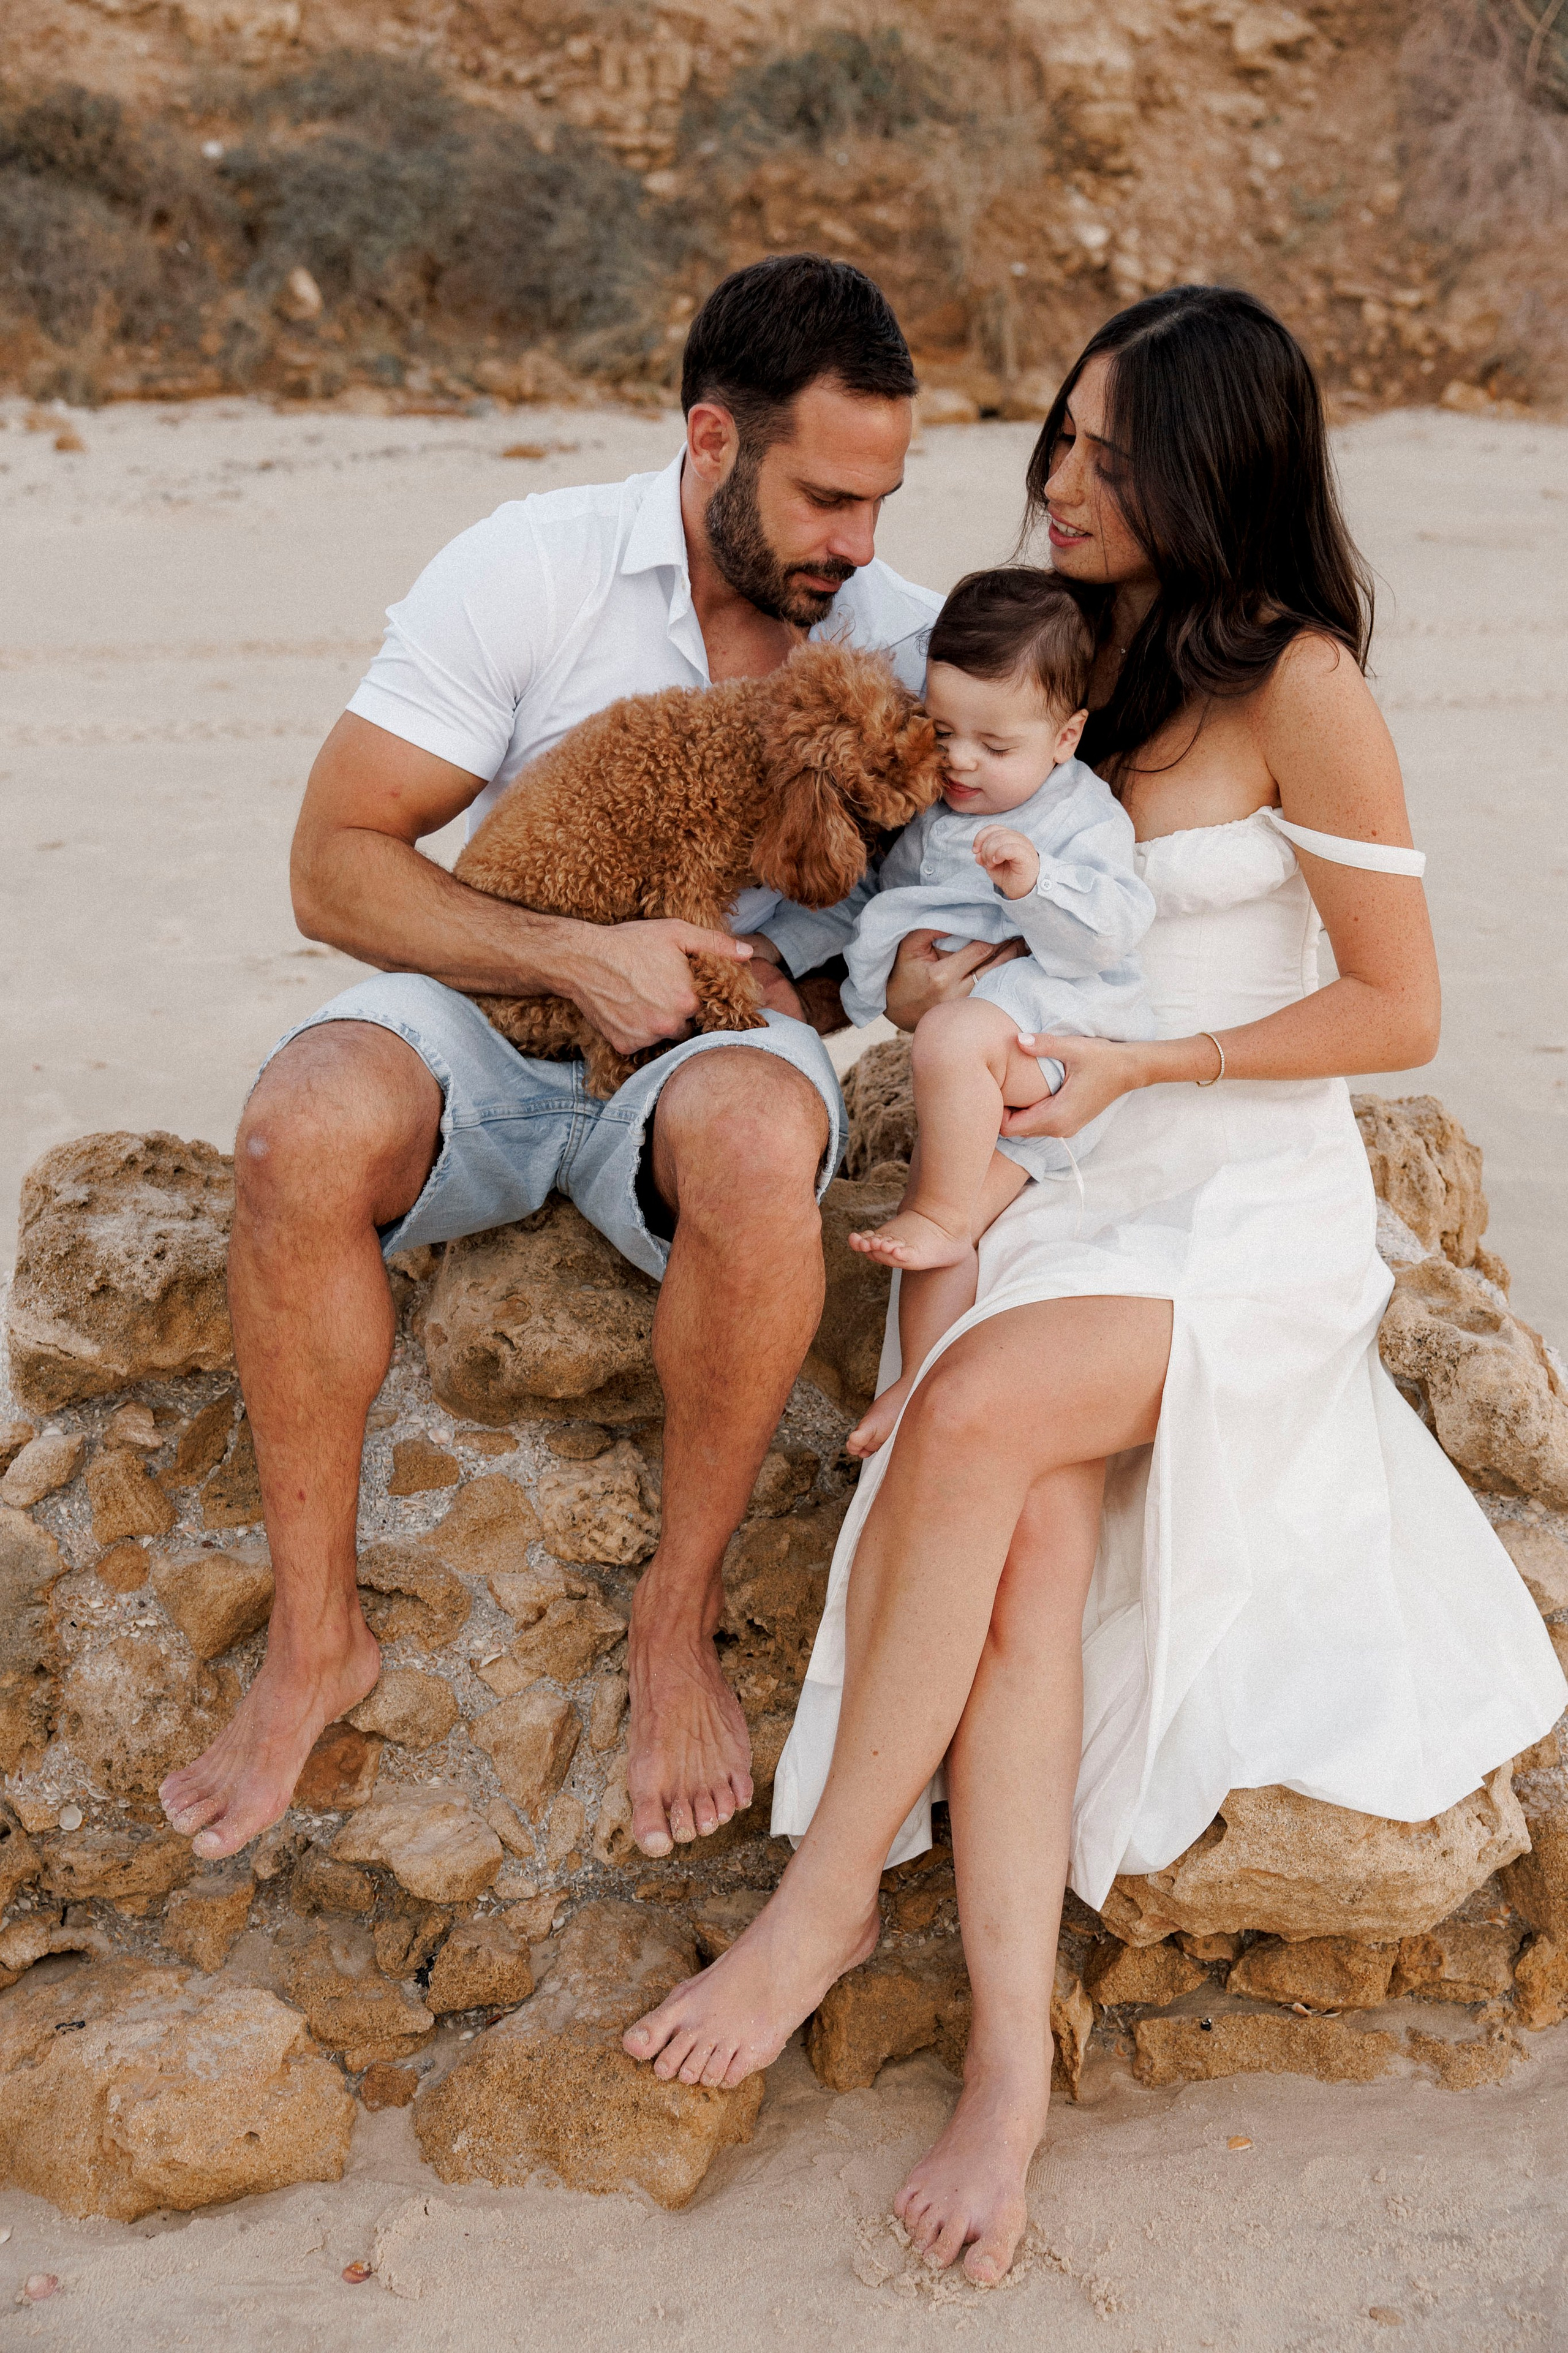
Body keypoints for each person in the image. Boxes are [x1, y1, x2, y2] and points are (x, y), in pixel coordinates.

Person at [620, 285, 1568, 2284]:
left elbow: (1404, 1009)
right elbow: (938, 906)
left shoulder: (1297, 676)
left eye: (1111, 454)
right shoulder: (1051, 652)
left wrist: (1160, 1058)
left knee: (965, 1415)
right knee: (1032, 1556)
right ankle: (1004, 2079)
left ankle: (820, 1911)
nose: (1062, 479)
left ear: (1213, 469)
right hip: (1051, 1172)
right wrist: (926, 978)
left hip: (1234, 1199)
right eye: (1060, 436)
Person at [156, 254, 943, 1867]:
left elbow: (935, 926)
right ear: (712, 443)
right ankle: (318, 1638)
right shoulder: (535, 568)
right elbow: (335, 868)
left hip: (714, 1043)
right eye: (826, 498)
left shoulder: (900, 640)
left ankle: (677, 1615)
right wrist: (575, 956)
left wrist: (829, 983)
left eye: (881, 501)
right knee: (296, 1130)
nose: (858, 546)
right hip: (499, 988)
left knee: (747, 1144)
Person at [839, 567, 1156, 1459]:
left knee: (952, 1044)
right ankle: (916, 1377)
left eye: (994, 743)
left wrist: (1038, 881)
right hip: (987, 1081)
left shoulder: (1079, 815)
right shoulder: (936, 815)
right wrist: (881, 979)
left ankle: (937, 1212)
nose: (963, 762)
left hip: (1064, 1042)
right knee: (940, 1242)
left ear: (1065, 737)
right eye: (943, 734)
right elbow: (893, 908)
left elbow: (1116, 929)